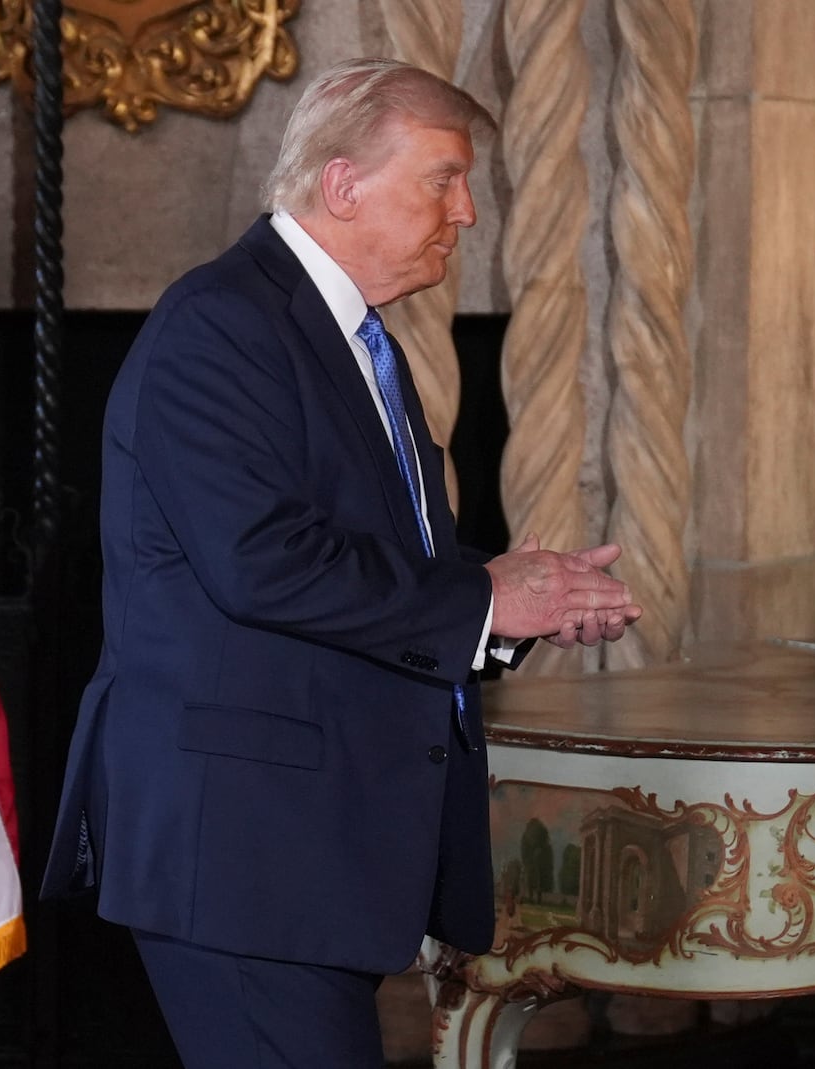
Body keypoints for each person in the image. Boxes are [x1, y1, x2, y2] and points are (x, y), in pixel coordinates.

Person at [40, 58, 641, 1067]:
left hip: (309, 854)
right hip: (240, 852)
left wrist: (501, 614)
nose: (468, 213)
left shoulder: (359, 339)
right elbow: (261, 562)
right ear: (343, 184)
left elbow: (362, 569)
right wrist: (479, 598)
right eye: (444, 179)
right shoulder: (221, 324)